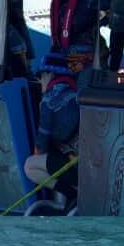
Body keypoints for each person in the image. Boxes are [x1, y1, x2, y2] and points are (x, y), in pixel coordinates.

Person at [23, 53, 79, 198]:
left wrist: (38, 156)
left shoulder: (48, 100)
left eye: (41, 75)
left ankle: (72, 196)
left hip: (76, 166)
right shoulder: (76, 92)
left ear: (50, 74)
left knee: (30, 166)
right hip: (92, 164)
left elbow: (41, 144)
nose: (39, 80)